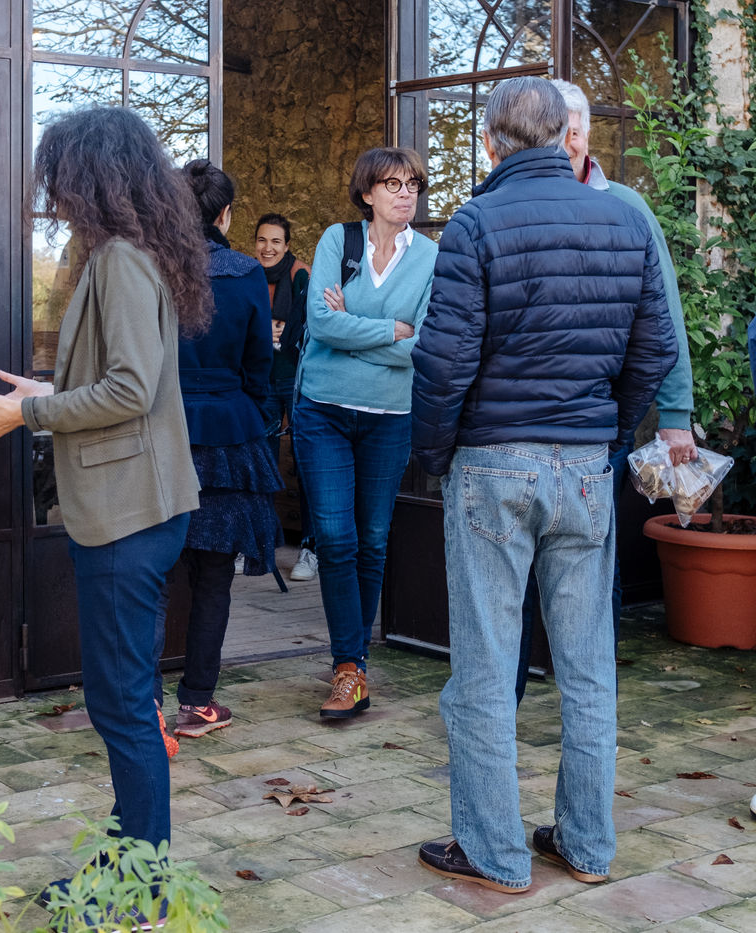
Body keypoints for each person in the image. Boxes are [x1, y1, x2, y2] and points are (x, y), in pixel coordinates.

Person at [412, 76, 677, 894]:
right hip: (585, 466)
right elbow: (656, 346)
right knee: (588, 669)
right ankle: (587, 844)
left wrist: (435, 454)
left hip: (493, 462)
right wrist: (606, 431)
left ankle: (494, 852)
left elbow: (443, 361)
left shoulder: (475, 222)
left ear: (491, 143)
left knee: (486, 669)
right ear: (566, 137)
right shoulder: (624, 219)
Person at [0, 106, 206, 916]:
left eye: (58, 176)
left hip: (131, 516)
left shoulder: (121, 258)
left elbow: (130, 389)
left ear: (93, 176)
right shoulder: (128, 251)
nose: (53, 194)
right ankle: (128, 865)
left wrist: (23, 414)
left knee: (123, 708)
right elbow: (128, 378)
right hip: (134, 509)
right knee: (125, 703)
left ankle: (140, 890)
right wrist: (49, 390)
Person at [513, 78, 699, 704]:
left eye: (577, 128)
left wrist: (673, 414)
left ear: (587, 133)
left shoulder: (626, 207)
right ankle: (507, 694)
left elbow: (663, 319)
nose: (568, 140)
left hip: (601, 420)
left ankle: (592, 692)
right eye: (558, 129)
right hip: (518, 421)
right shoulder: (510, 202)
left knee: (594, 559)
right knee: (513, 568)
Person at [295, 148, 436, 719]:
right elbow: (319, 321)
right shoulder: (339, 240)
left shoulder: (430, 255)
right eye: (393, 184)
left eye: (413, 185)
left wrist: (352, 330)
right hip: (322, 410)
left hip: (389, 416)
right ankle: (348, 665)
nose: (406, 194)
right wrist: (388, 331)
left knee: (373, 539)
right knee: (335, 539)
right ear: (368, 193)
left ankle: (352, 668)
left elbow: (422, 343)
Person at [159, 160, 279, 741]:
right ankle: (198, 703)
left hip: (159, 431)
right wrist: (252, 412)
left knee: (152, 576)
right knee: (213, 580)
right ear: (226, 214)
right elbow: (260, 363)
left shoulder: (150, 268)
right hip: (229, 440)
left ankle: (145, 707)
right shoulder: (248, 272)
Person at [255, 213, 317, 581]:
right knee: (262, 462)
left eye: (276, 241)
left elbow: (314, 322)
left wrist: (284, 330)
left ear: (287, 245)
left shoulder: (300, 276)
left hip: (297, 381)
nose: (268, 248)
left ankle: (309, 548)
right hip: (261, 383)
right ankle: (260, 545)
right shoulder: (249, 277)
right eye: (262, 240)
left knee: (306, 462)